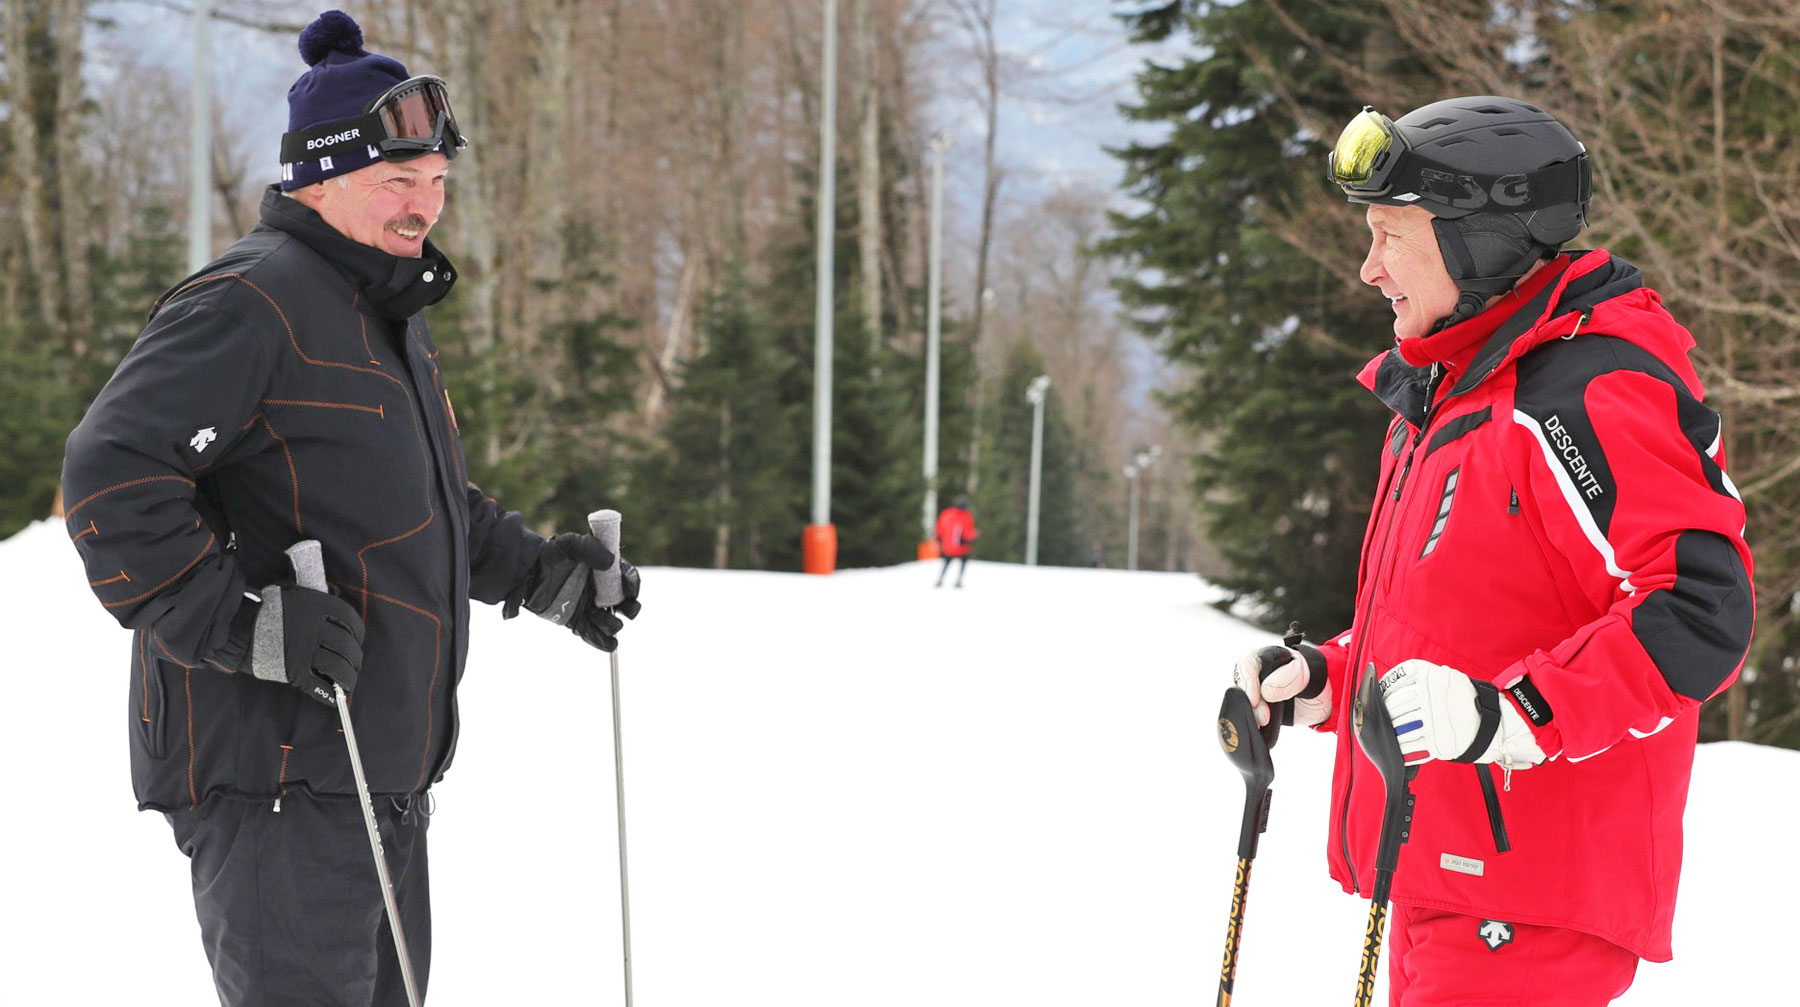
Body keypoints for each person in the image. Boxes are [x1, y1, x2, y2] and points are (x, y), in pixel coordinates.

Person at [60, 12, 639, 1006]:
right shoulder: (252, 300)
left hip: (373, 773)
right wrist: (241, 621)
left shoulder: (380, 315)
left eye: (437, 183)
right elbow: (110, 476)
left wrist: (542, 571)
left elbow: (417, 504)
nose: (425, 206)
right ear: (315, 181)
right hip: (277, 769)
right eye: (397, 182)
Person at [1232, 96, 1752, 1006]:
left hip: (1528, 903)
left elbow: (1701, 611)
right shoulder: (1453, 395)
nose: (1368, 268)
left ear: (1481, 238)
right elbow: (1469, 624)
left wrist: (1513, 714)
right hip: (1449, 870)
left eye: (1392, 233)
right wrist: (1332, 679)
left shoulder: (1585, 386)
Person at [934, 496, 979, 588]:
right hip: (961, 547)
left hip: (947, 547)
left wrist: (940, 541)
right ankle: (958, 580)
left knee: (946, 562)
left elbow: (939, 530)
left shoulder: (946, 513)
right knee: (963, 561)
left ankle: (940, 579)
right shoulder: (967, 516)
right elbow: (968, 533)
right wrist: (975, 534)